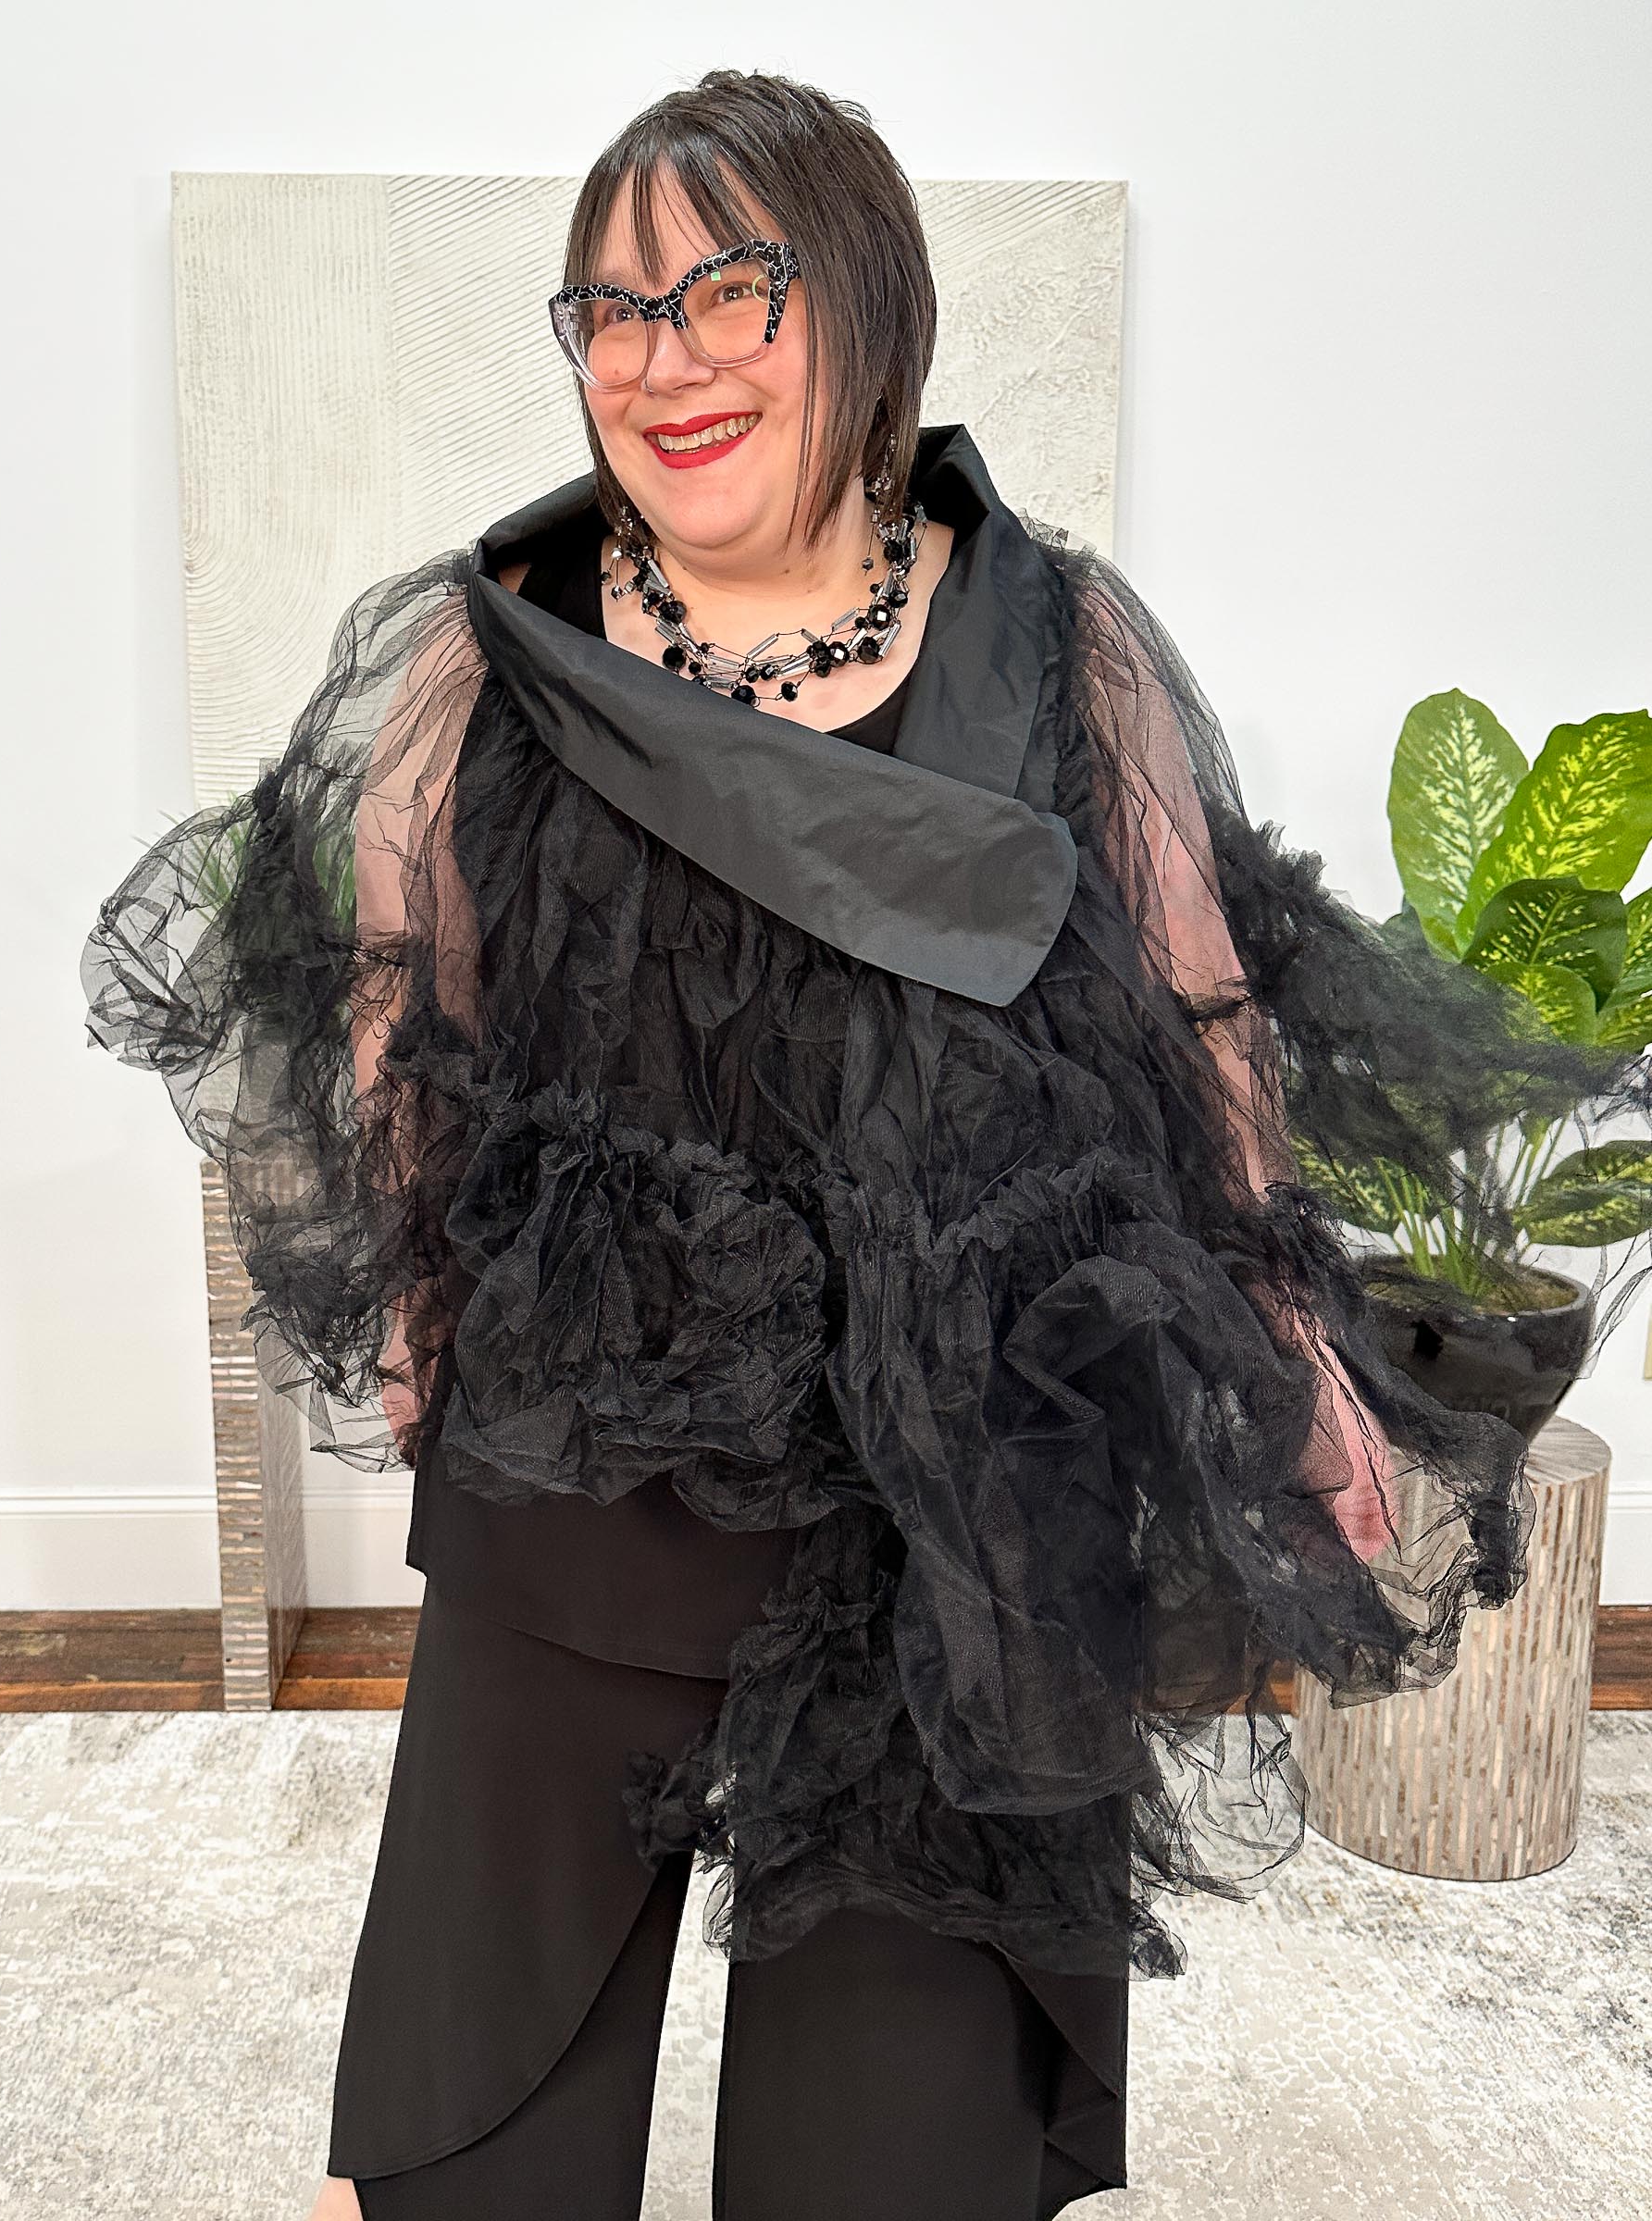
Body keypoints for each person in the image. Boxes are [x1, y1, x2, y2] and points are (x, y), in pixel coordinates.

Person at [80, 67, 1639, 2221]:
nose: (666, 360)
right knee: (463, 2129)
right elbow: (393, 1000)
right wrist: (422, 1299)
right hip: (595, 1438)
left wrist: (1292, 1363)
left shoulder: (1054, 643)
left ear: (867, 304)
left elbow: (1200, 1024)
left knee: (900, 2153)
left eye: (731, 290)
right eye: (614, 312)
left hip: (963, 1485)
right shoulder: (490, 651)